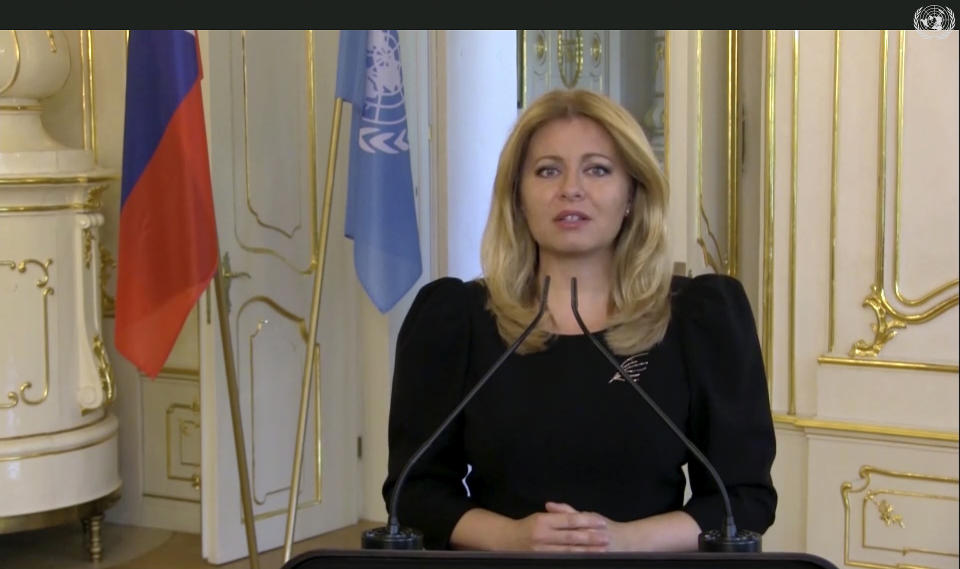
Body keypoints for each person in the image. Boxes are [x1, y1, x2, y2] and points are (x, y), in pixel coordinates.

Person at [382, 88, 776, 551]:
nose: (571, 188)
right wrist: (511, 537)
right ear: (518, 198)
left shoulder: (700, 318)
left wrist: (625, 541)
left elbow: (743, 499)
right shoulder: (453, 319)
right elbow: (414, 493)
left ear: (632, 193)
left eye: (598, 169)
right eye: (548, 170)